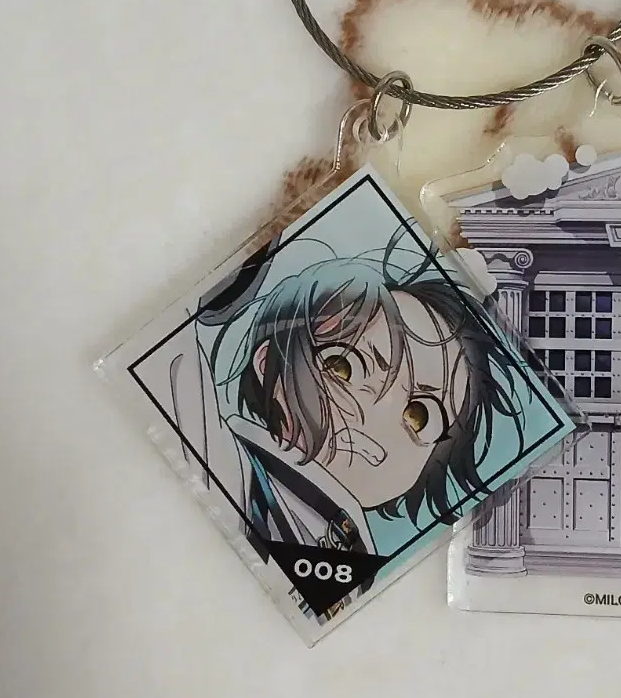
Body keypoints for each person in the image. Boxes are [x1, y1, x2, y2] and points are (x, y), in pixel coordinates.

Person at [165, 231, 526, 568]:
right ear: (269, 365)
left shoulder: (353, 551)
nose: (378, 414)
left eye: (419, 414)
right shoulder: (228, 468)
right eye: (344, 367)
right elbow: (173, 360)